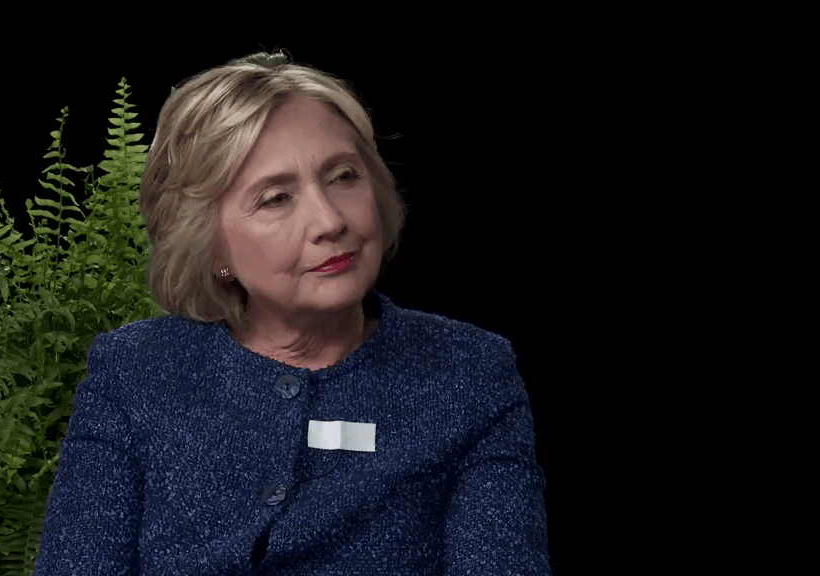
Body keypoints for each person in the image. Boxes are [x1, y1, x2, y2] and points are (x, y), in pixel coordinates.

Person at [33, 51, 550, 575]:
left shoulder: (469, 373)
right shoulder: (134, 372)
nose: (329, 221)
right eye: (276, 198)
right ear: (208, 244)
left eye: (344, 176)